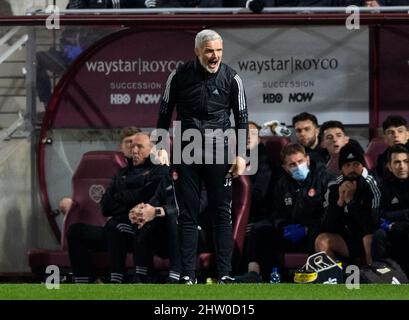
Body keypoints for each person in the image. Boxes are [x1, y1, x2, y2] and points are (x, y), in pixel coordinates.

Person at [156, 29, 248, 284]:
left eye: (219, 50)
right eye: (209, 51)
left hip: (220, 149)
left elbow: (242, 118)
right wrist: (160, 145)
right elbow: (164, 112)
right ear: (197, 51)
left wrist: (240, 154)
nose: (215, 56)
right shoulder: (178, 76)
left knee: (221, 213)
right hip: (186, 149)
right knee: (187, 214)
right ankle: (188, 274)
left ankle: (225, 274)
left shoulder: (233, 78)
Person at [67, 131, 168, 283]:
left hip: (141, 232)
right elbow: (106, 207)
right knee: (75, 231)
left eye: (139, 147)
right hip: (114, 230)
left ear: (152, 150)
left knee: (116, 226)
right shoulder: (121, 173)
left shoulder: (159, 171)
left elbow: (144, 198)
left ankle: (117, 282)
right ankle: (83, 281)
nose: (134, 150)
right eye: (132, 146)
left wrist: (120, 196)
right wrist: (128, 199)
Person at [238, 143, 334, 282]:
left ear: (307, 159)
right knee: (259, 229)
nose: (297, 167)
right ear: (285, 167)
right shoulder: (282, 184)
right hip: (291, 231)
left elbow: (330, 214)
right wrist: (283, 225)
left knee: (317, 234)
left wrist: (307, 229)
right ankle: (255, 274)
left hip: (314, 232)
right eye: (292, 164)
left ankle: (313, 277)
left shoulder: (324, 179)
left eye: (300, 162)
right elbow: (277, 213)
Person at [315, 141, 381, 266]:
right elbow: (327, 226)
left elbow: (373, 225)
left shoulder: (373, 184)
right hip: (348, 240)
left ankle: (374, 279)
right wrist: (340, 202)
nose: (352, 169)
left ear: (363, 166)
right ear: (341, 169)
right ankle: (335, 279)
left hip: (370, 239)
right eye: (347, 165)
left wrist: (351, 202)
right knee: (322, 240)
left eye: (356, 164)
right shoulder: (334, 186)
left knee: (369, 239)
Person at [55, 127, 141, 216]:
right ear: (120, 146)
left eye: (137, 143)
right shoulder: (109, 168)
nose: (133, 147)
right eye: (129, 142)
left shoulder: (149, 171)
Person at [128, 170, 181, 283]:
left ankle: (175, 275)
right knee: (143, 218)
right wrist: (139, 211)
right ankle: (141, 275)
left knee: (174, 218)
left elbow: (196, 207)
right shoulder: (167, 177)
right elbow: (153, 203)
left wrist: (159, 211)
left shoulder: (199, 175)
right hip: (167, 237)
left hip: (194, 233)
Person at [372, 144, 409, 275]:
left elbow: (387, 215)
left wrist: (394, 219)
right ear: (389, 166)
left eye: (406, 161)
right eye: (397, 162)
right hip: (393, 232)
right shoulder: (383, 186)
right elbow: (378, 216)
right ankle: (382, 278)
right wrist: (393, 225)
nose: (402, 166)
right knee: (378, 235)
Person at [376, 115, 409, 179]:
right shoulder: (382, 159)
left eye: (400, 131)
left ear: (407, 135)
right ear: (385, 138)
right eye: (391, 132)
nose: (396, 135)